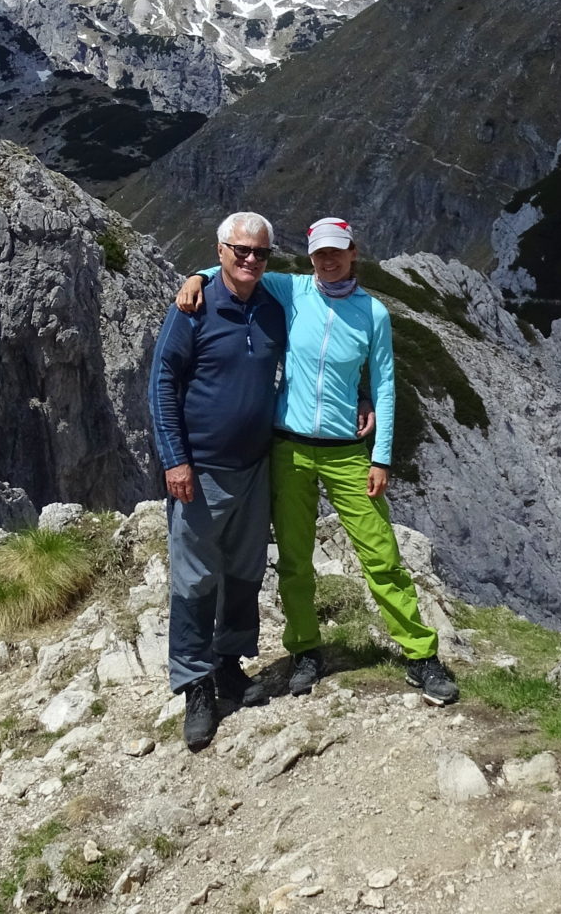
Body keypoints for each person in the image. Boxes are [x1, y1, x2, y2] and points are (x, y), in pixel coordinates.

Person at [178, 216, 458, 705]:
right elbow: (241, 267)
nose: (328, 260)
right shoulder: (293, 291)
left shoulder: (374, 314)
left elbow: (387, 385)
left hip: (348, 454)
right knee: (293, 560)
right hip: (287, 448)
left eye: (338, 251)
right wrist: (198, 276)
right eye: (320, 253)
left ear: (353, 254)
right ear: (310, 257)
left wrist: (382, 456)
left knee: (382, 555)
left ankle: (420, 655)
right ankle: (306, 651)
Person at [150, 211, 287, 750]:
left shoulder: (274, 308)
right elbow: (162, 381)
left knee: (244, 571)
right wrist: (174, 459)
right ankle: (195, 685)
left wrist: (365, 395)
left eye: (261, 253)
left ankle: (228, 664)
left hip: (255, 467)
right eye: (240, 251)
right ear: (221, 250)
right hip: (200, 470)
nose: (250, 260)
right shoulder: (193, 307)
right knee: (194, 579)